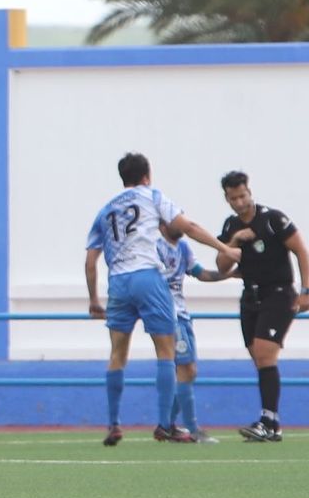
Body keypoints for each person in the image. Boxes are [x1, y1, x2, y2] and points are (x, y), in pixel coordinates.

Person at [85, 153, 237, 446]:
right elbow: (189, 227)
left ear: (122, 178)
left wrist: (93, 298)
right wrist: (224, 249)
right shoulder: (151, 196)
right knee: (166, 352)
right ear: (147, 176)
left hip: (117, 282)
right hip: (147, 277)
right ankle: (166, 425)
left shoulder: (105, 210)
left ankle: (114, 424)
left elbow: (91, 260)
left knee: (117, 354)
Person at [215, 171, 309, 442]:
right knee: (259, 357)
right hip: (250, 297)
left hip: (279, 293)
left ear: (249, 192)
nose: (240, 202)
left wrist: (305, 291)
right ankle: (272, 423)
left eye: (243, 195)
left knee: (266, 354)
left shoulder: (272, 219)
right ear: (227, 199)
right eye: (234, 198)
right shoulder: (231, 226)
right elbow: (222, 266)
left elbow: (301, 250)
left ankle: (269, 420)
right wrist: (234, 242)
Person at [158, 221, 233, 443]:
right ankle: (192, 429)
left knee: (189, 372)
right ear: (162, 224)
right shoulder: (154, 247)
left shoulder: (182, 248)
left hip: (182, 315)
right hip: (168, 315)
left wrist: (232, 274)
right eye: (174, 219)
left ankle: (166, 426)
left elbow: (200, 273)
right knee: (186, 369)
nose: (181, 223)